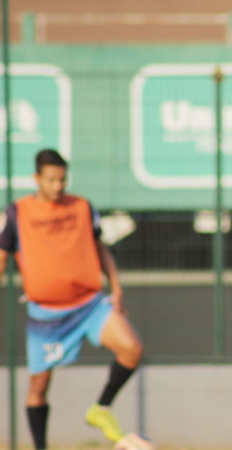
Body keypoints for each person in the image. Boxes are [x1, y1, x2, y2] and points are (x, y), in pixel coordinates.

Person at [0, 149, 143, 449]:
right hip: (47, 316)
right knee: (39, 385)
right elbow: (2, 258)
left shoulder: (82, 207)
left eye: (62, 180)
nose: (58, 186)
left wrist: (116, 288)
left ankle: (101, 409)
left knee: (132, 349)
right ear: (37, 178)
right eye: (51, 180)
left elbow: (100, 249)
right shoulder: (17, 213)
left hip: (89, 305)